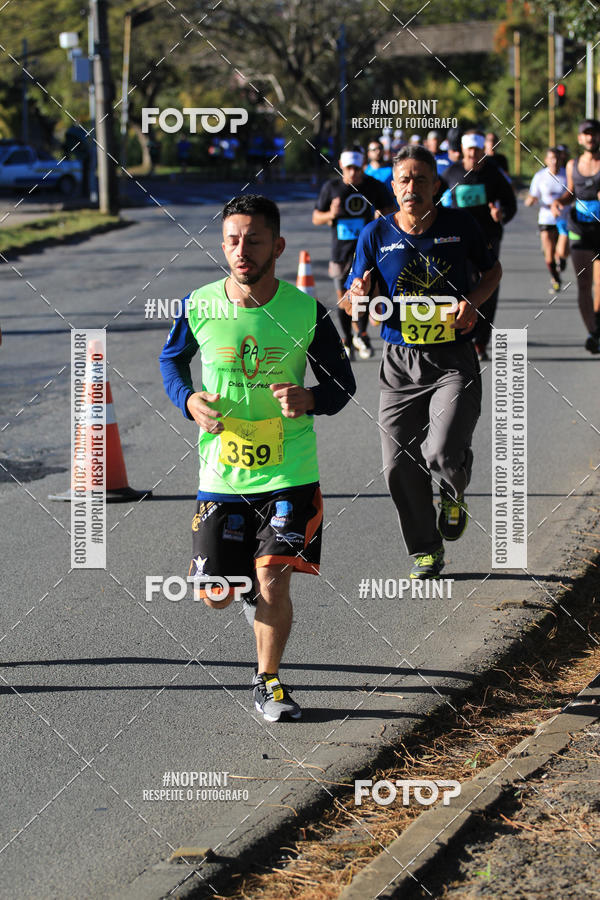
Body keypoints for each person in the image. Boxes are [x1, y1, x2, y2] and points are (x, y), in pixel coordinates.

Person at [159, 195, 356, 721]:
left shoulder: (305, 310)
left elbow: (343, 382)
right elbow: (172, 360)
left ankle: (268, 682)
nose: (241, 250)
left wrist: (311, 397)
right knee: (217, 594)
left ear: (278, 246)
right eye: (232, 240)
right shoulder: (200, 304)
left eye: (253, 240)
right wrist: (188, 399)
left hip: (290, 470)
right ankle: (245, 593)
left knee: (273, 574)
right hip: (222, 471)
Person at [341, 145, 501, 578]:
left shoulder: (459, 225)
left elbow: (492, 272)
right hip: (398, 361)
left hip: (452, 358)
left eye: (420, 179)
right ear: (393, 186)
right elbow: (351, 294)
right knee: (396, 463)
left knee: (444, 451)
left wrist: (472, 302)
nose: (412, 187)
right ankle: (426, 550)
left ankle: (453, 489)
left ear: (435, 185)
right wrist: (357, 296)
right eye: (404, 180)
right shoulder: (374, 235)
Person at [313, 147, 395, 360]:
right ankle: (347, 339)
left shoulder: (374, 186)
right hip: (340, 252)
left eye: (357, 168)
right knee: (344, 299)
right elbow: (316, 217)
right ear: (341, 166)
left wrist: (381, 216)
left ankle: (362, 333)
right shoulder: (332, 188)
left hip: (367, 250)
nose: (353, 173)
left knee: (364, 294)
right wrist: (331, 213)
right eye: (349, 168)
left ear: (363, 166)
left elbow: (391, 212)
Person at [443, 129, 516, 360]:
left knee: (488, 288)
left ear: (483, 150)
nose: (473, 154)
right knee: (462, 285)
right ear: (463, 151)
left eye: (477, 150)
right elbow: (432, 199)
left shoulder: (493, 174)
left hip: (487, 238)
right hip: (458, 239)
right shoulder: (451, 173)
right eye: (469, 150)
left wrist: (500, 213)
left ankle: (481, 341)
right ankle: (462, 333)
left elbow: (510, 203)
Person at [552, 119, 600, 354]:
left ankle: (597, 322)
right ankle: (593, 332)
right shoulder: (572, 165)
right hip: (580, 228)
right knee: (584, 283)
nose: (590, 138)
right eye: (586, 134)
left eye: (594, 134)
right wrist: (559, 202)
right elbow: (571, 192)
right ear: (580, 139)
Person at [525, 148, 569, 292]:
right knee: (549, 253)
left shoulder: (566, 175)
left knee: (562, 251)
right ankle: (555, 279)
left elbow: (574, 195)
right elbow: (532, 196)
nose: (554, 161)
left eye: (557, 158)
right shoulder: (540, 176)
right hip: (546, 219)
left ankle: (561, 259)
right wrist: (531, 200)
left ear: (561, 159)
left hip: (564, 218)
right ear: (546, 160)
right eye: (551, 158)